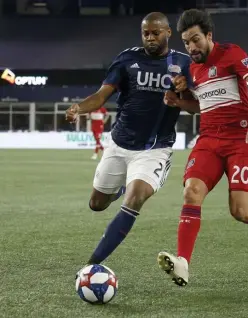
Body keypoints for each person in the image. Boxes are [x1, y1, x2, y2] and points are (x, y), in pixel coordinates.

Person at [157, 9, 248, 287]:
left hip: (240, 141)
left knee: (241, 212)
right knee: (192, 191)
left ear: (209, 36)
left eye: (196, 40)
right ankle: (183, 263)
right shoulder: (192, 69)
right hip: (209, 140)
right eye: (186, 42)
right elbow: (201, 107)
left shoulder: (231, 53)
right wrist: (180, 103)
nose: (191, 47)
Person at [65, 12, 192, 268]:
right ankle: (120, 187)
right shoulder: (127, 59)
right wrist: (78, 108)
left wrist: (184, 91)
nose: (150, 37)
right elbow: (102, 96)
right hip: (119, 143)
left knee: (135, 197)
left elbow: (197, 105)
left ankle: (91, 265)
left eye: (155, 32)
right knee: (96, 204)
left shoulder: (185, 63)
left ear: (168, 33)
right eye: (146, 33)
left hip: (154, 149)